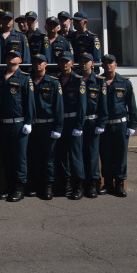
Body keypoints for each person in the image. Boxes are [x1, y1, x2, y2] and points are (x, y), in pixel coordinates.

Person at [0, 49, 34, 202]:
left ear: (20, 60)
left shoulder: (25, 79)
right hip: (3, 123)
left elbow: (29, 102)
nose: (10, 58)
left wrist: (29, 121)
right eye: (8, 56)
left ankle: (19, 187)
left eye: (14, 56)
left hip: (18, 123)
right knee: (7, 157)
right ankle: (10, 185)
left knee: (19, 157)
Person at [100, 54, 137, 197]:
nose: (108, 65)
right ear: (102, 65)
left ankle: (120, 184)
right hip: (105, 125)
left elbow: (131, 105)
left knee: (120, 155)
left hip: (120, 124)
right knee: (105, 154)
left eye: (110, 62)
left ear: (116, 64)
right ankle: (108, 183)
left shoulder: (124, 83)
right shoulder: (99, 82)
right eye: (105, 63)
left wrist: (132, 124)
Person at [28, 54, 63, 201]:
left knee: (48, 158)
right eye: (35, 62)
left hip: (48, 125)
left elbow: (59, 107)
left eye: (40, 62)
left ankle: (48, 186)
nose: (37, 64)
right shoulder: (28, 80)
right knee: (34, 157)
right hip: (33, 125)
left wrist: (58, 128)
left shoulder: (53, 83)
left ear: (46, 65)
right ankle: (37, 185)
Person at [54, 51, 87, 200]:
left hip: (73, 121)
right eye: (61, 61)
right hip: (61, 122)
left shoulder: (78, 80)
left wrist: (79, 126)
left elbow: (82, 106)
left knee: (75, 156)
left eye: (67, 61)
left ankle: (78, 186)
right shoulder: (57, 80)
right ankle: (66, 184)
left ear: (72, 63)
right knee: (62, 154)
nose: (64, 64)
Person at [79, 53, 108, 198]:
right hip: (79, 122)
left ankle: (93, 184)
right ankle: (82, 183)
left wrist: (101, 123)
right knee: (79, 154)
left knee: (92, 155)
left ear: (92, 64)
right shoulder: (76, 80)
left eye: (87, 61)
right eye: (82, 61)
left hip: (92, 122)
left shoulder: (98, 81)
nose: (84, 64)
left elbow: (103, 104)